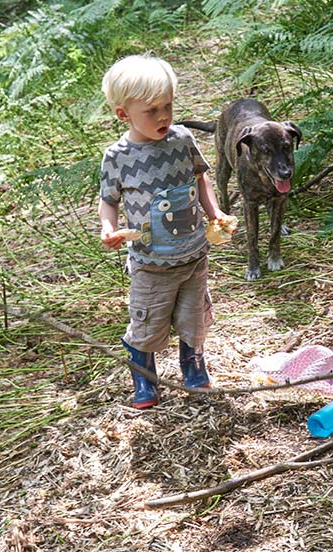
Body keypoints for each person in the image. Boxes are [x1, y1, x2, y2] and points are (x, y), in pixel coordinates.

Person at [98, 54, 232, 409]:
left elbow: (200, 178)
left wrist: (215, 212)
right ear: (123, 114)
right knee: (148, 323)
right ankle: (146, 379)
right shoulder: (118, 156)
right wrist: (108, 227)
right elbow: (108, 200)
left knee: (194, 318)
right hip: (150, 262)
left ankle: (193, 366)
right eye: (151, 110)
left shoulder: (182, 140)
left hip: (193, 254)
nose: (163, 116)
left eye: (168, 106)